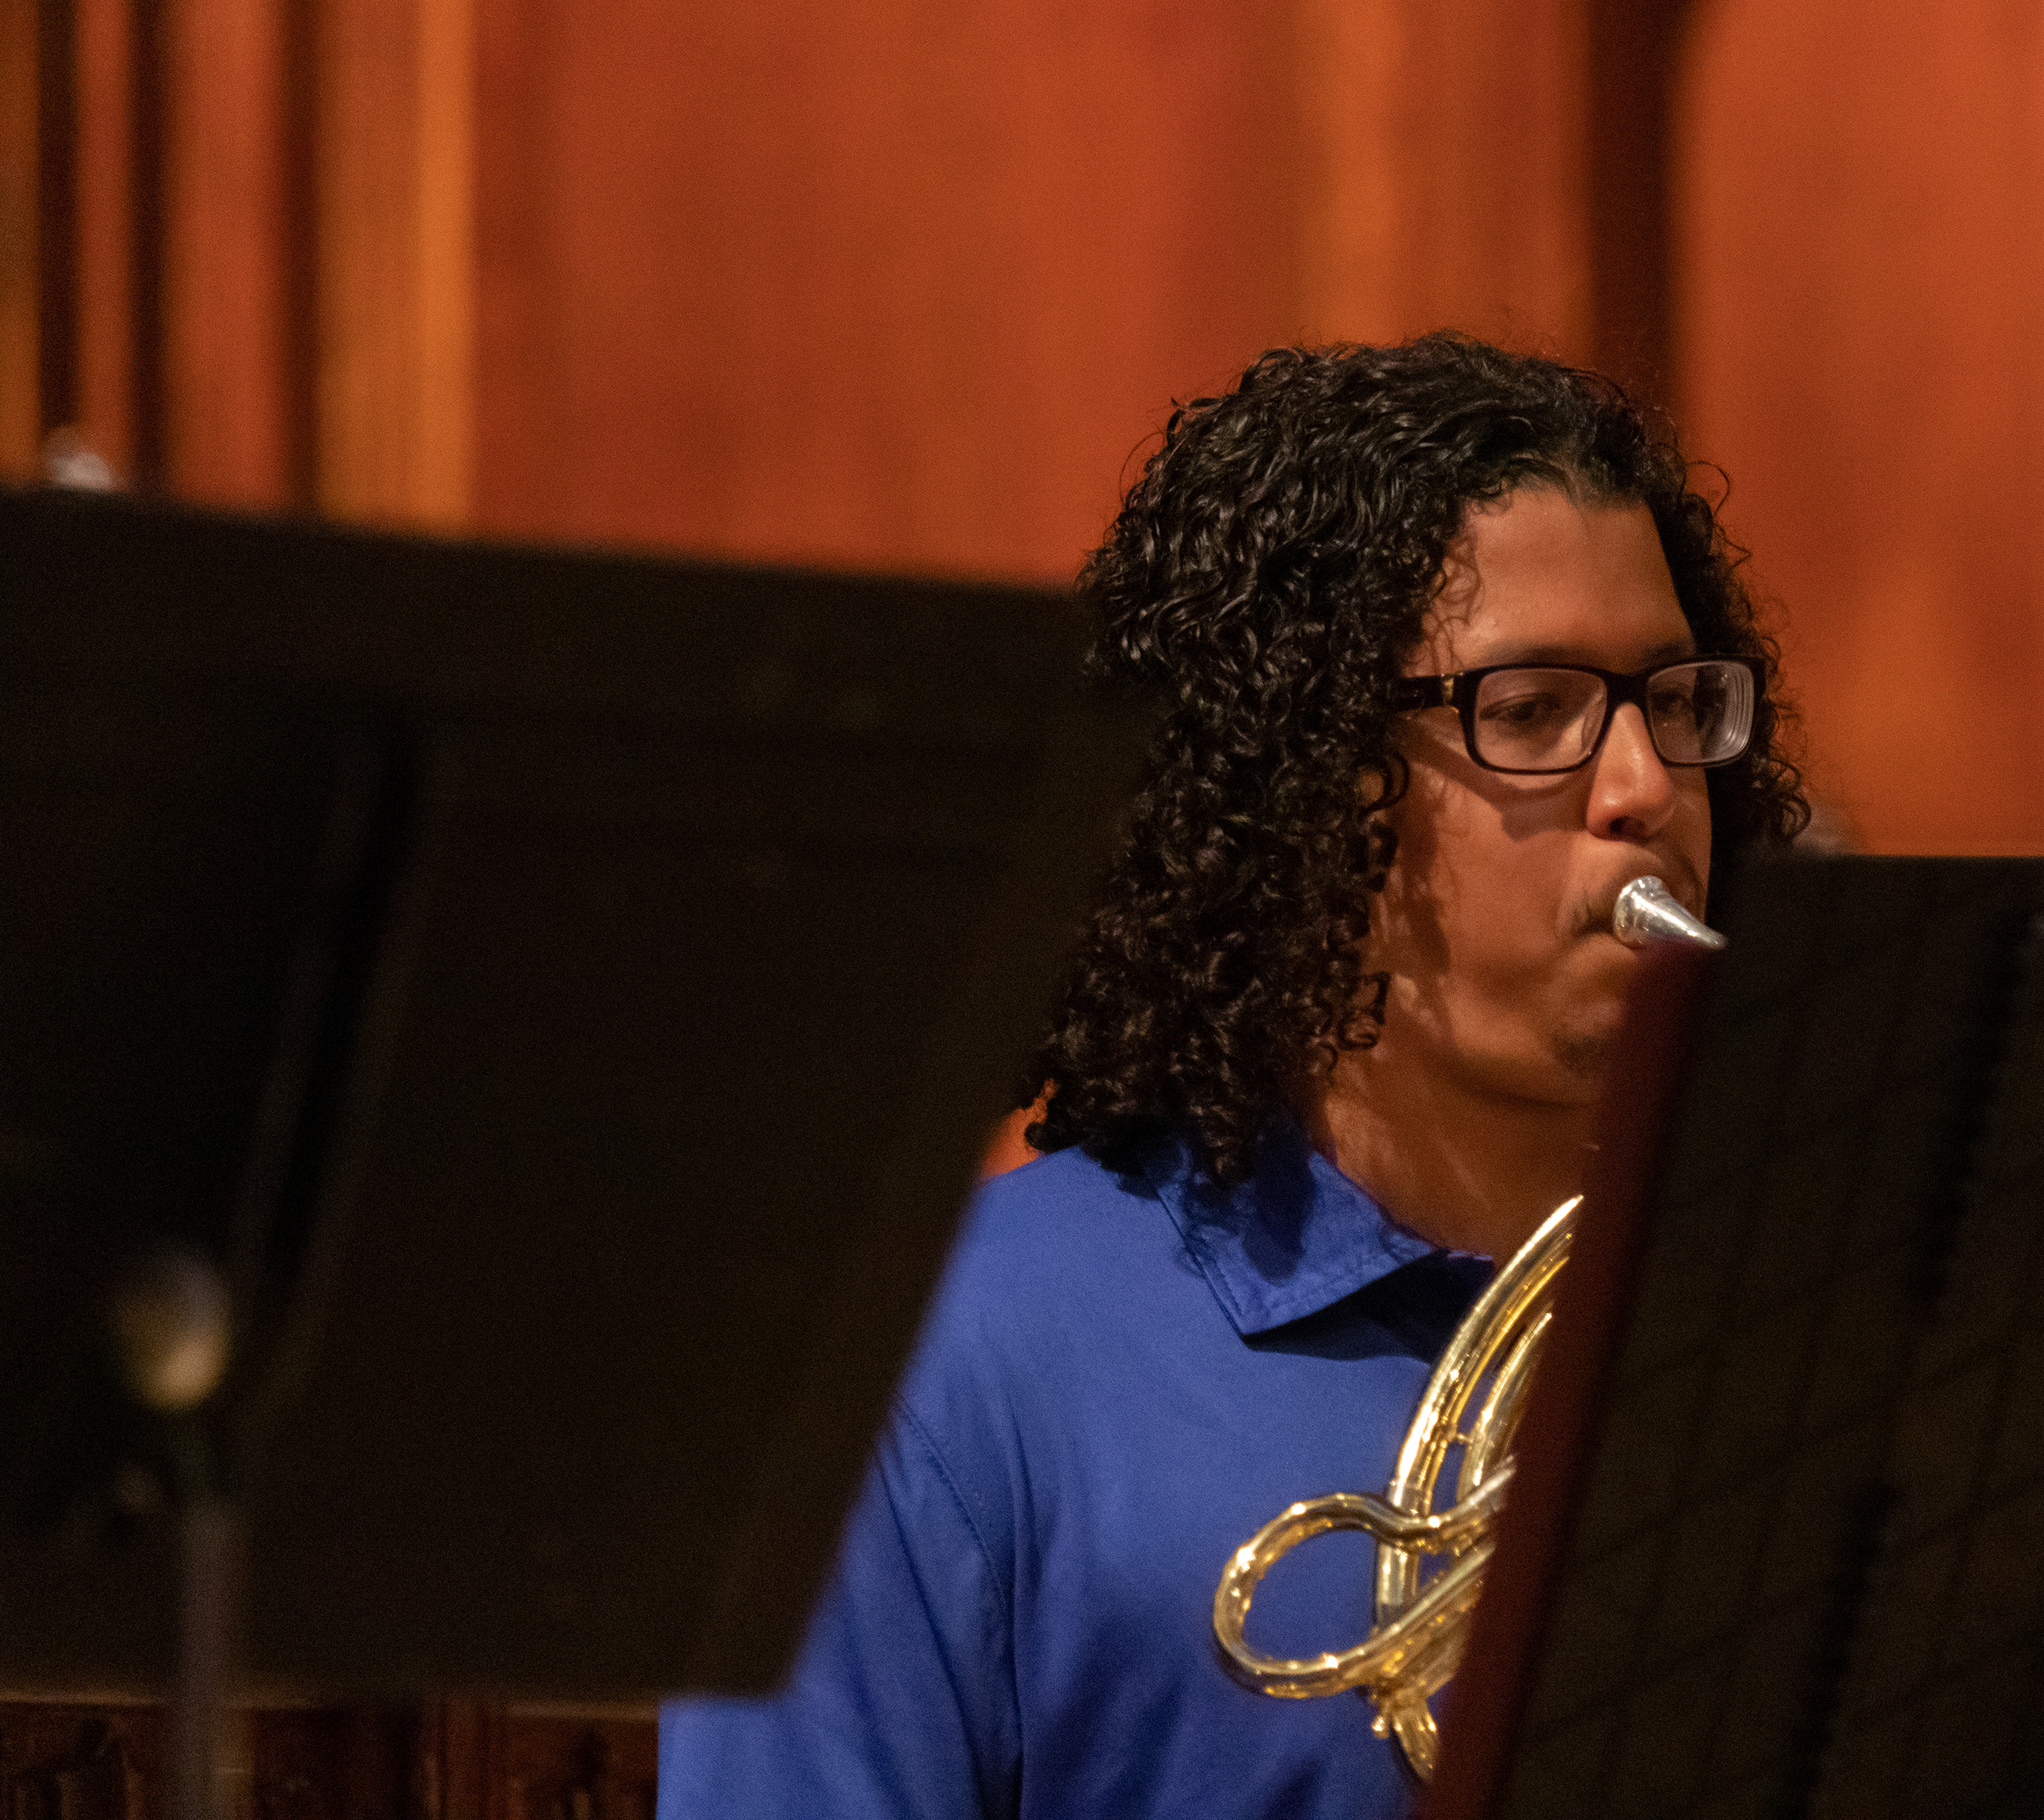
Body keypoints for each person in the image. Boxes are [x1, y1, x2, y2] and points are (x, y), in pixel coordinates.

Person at [657, 335, 1804, 1818]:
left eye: (1678, 704)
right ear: (1306, 785)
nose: (1646, 787)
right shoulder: (924, 1368)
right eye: (1531, 712)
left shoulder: (1805, 1295)